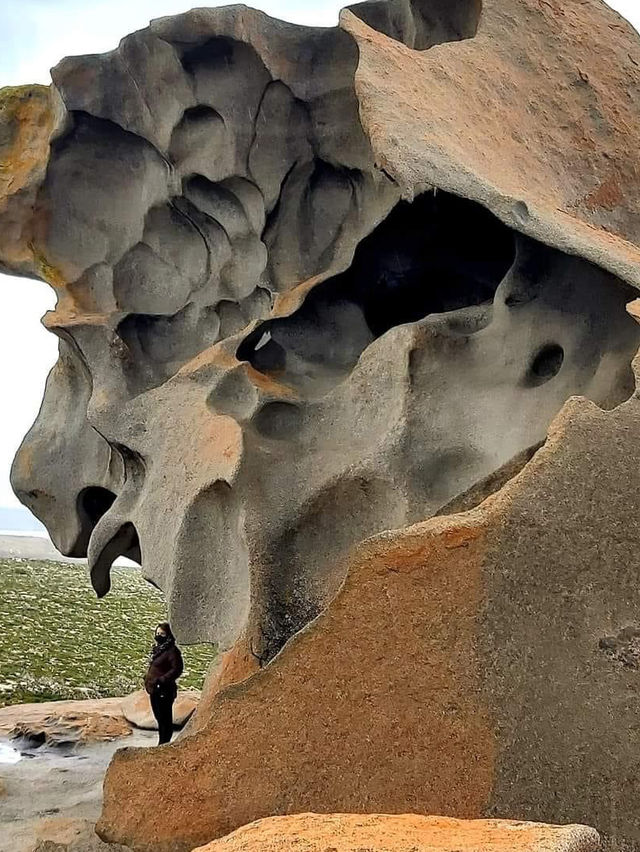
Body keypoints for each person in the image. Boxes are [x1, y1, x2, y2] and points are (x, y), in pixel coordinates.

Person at [144, 621, 184, 745]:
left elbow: (177, 669)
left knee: (164, 718)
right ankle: (163, 742)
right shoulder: (159, 649)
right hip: (154, 689)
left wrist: (162, 680)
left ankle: (164, 742)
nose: (158, 636)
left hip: (164, 690)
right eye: (157, 633)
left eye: (162, 634)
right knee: (159, 717)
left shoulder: (172, 651)